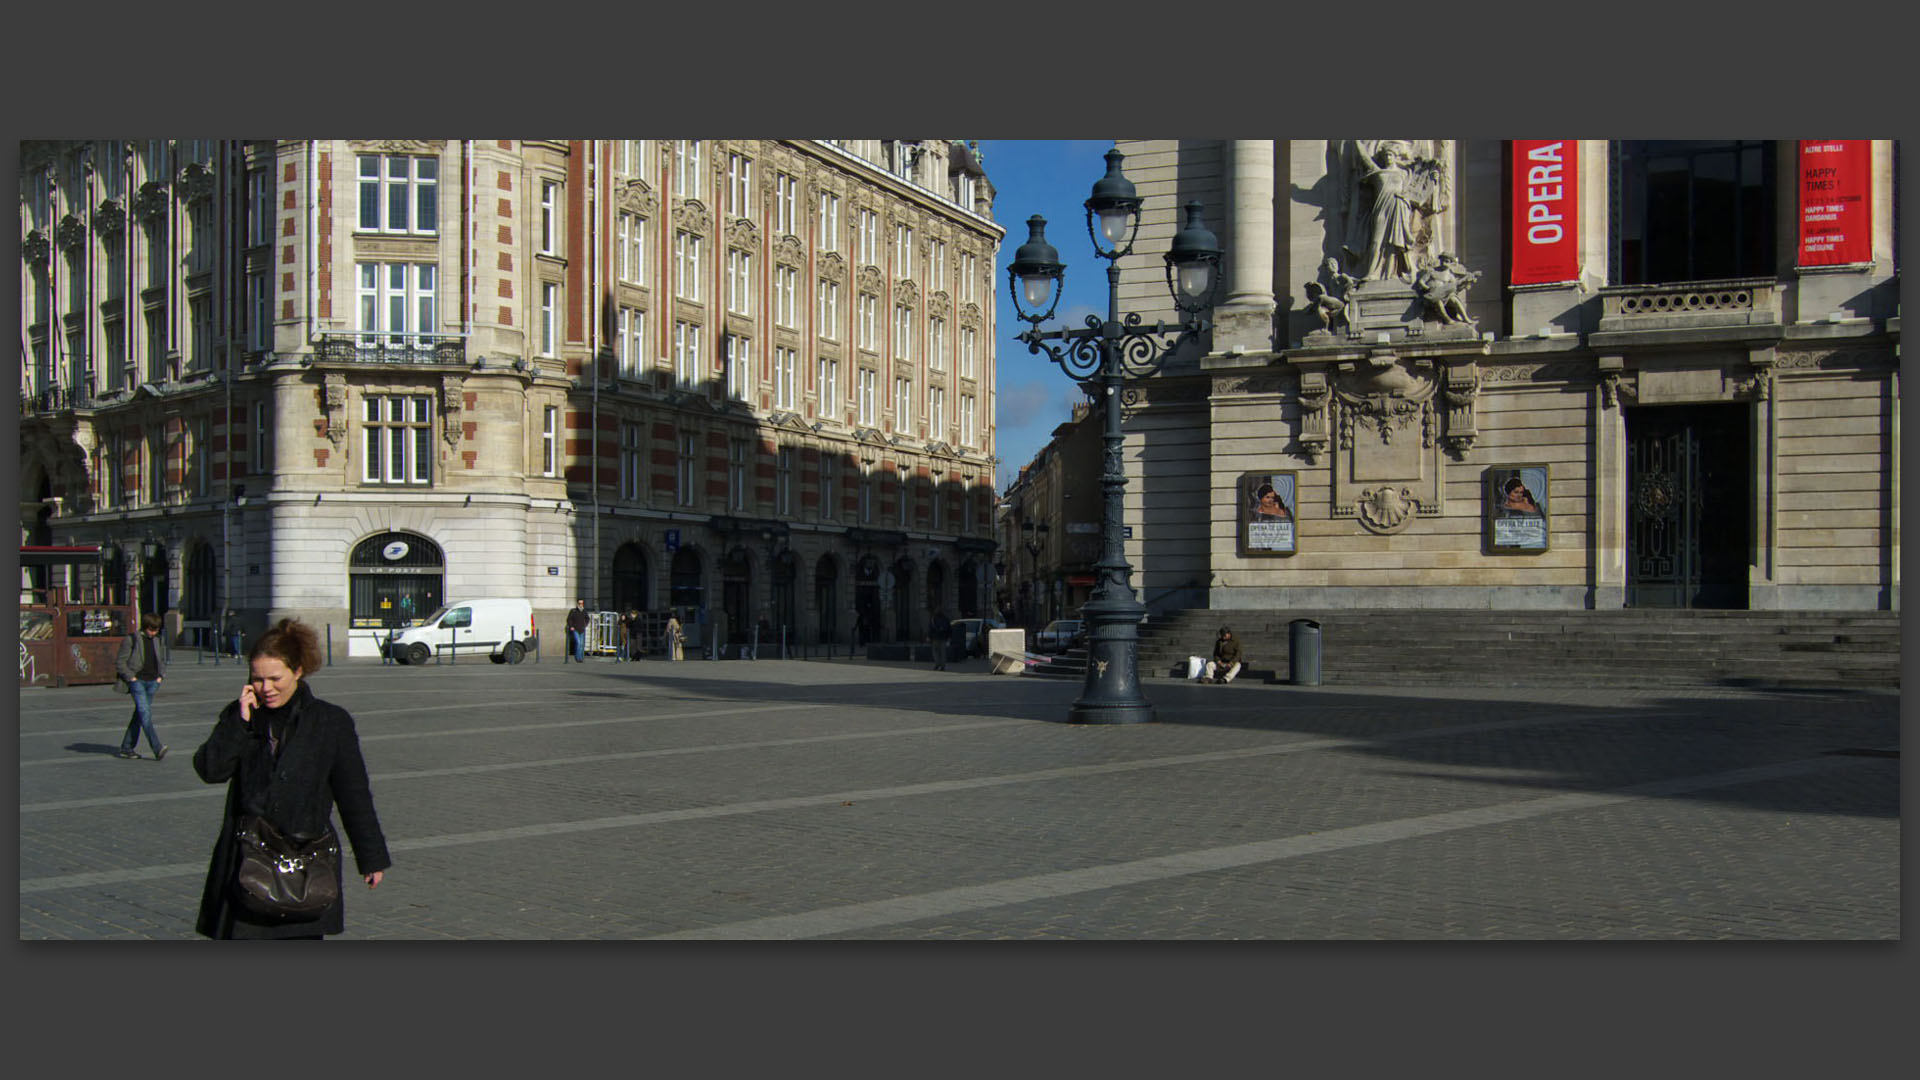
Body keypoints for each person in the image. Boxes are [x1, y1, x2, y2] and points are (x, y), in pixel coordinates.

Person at [191, 618, 390, 940]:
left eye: (275, 678)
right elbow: (210, 771)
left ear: (298, 671)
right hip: (247, 861)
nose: (266, 688)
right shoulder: (240, 715)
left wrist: (371, 858)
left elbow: (354, 794)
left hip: (304, 863)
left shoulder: (330, 722)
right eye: (257, 679)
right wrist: (239, 726)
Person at [114, 613, 168, 761]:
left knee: (139, 714)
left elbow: (161, 659)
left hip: (153, 682)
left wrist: (160, 677)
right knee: (145, 714)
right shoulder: (131, 639)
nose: (153, 633)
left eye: (156, 630)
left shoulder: (158, 640)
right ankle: (157, 747)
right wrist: (131, 677)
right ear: (145, 627)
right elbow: (120, 662)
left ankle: (126, 748)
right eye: (151, 630)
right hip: (137, 681)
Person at [565, 599, 589, 663]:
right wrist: (571, 626)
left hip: (582, 629)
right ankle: (577, 657)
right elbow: (569, 619)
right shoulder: (573, 611)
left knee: (581, 644)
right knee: (578, 643)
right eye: (579, 603)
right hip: (575, 629)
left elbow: (587, 618)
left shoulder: (584, 611)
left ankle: (580, 658)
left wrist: (585, 624)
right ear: (577, 604)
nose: (580, 604)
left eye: (582, 603)